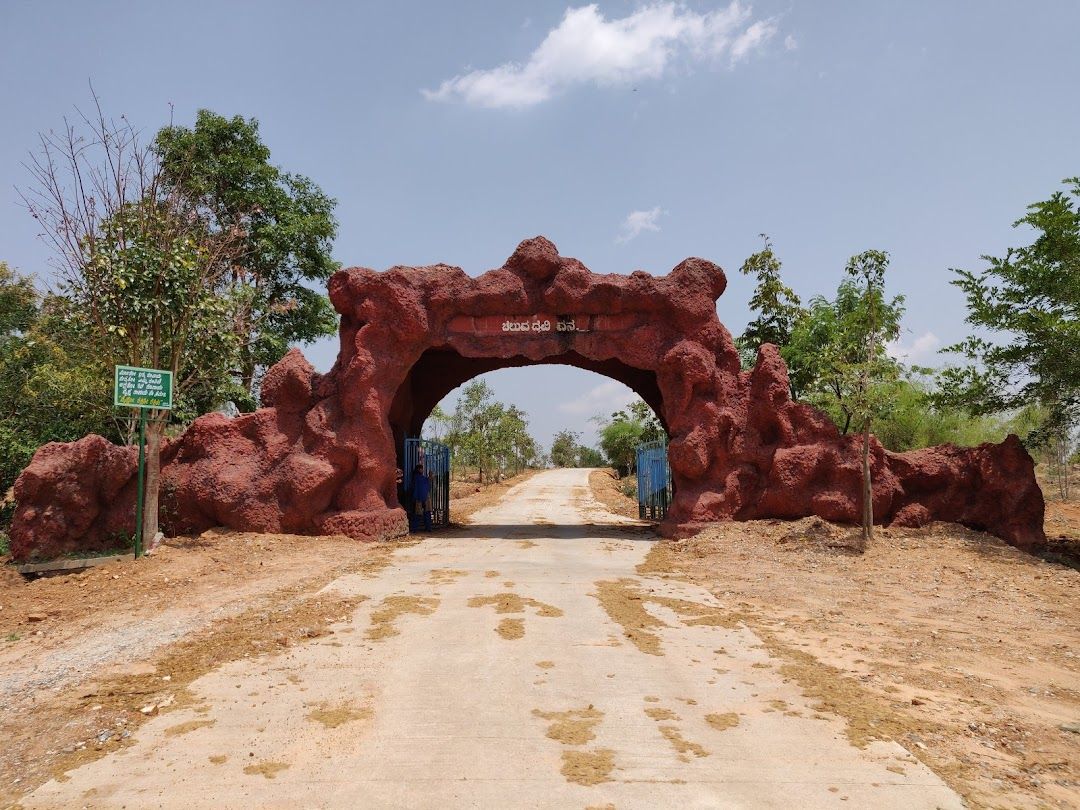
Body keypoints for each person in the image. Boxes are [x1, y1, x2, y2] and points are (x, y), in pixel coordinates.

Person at [411, 463, 432, 532]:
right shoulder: (419, 478)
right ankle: (427, 528)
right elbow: (428, 485)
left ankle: (415, 529)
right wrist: (430, 477)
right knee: (426, 513)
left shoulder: (416, 478)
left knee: (418, 514)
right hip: (423, 497)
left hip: (419, 497)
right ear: (419, 469)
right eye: (421, 469)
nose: (422, 470)